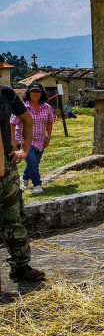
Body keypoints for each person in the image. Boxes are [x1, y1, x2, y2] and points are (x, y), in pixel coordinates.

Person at [0, 57, 44, 282]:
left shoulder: (6, 93)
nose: (0, 75)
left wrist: (24, 150)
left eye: (1, 70)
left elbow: (26, 119)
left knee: (13, 219)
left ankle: (21, 266)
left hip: (6, 168)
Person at [11, 83, 54, 195]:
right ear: (28, 93)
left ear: (42, 94)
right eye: (33, 91)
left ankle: (25, 178)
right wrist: (13, 141)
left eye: (38, 91)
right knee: (33, 161)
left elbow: (50, 122)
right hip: (24, 140)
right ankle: (37, 185)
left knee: (34, 163)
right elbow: (12, 123)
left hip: (40, 140)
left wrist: (48, 136)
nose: (35, 94)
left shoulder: (47, 107)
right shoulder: (22, 107)